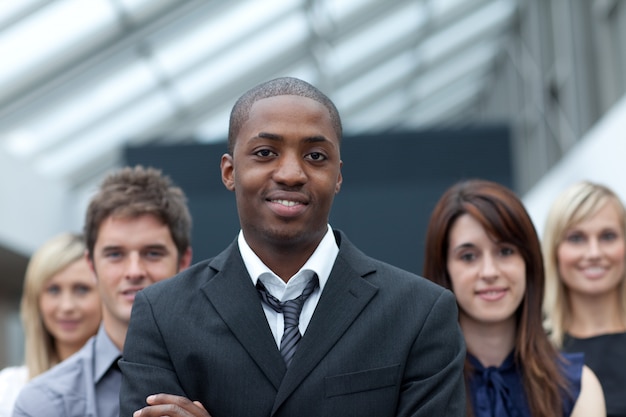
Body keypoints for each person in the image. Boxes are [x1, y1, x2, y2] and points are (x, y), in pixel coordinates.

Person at [119, 76, 466, 417]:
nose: (290, 173)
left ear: (338, 176)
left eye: (315, 156)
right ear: (229, 171)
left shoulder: (419, 313)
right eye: (265, 152)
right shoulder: (162, 315)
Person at [12, 165, 193, 417]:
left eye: (152, 253)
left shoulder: (233, 376)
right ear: (91, 265)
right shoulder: (43, 404)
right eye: (115, 254)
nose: (134, 271)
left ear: (184, 262)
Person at [422, 179, 605, 417]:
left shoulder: (577, 385)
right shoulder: (422, 386)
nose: (489, 272)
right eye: (468, 256)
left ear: (529, 263)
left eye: (505, 251)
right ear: (443, 269)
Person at [542, 180, 626, 417]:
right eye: (576, 238)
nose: (594, 253)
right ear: (554, 250)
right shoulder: (536, 353)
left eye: (608, 236)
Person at [0, 233, 101, 417]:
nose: (67, 306)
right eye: (53, 290)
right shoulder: (7, 390)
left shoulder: (127, 385)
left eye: (81, 289)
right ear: (36, 300)